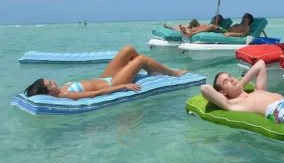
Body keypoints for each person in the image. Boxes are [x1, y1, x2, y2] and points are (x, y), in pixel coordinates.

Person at [24, 45, 187, 101]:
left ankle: (151, 69)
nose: (54, 81)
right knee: (141, 59)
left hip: (104, 78)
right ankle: (173, 73)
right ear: (48, 93)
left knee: (128, 50)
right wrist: (123, 86)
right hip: (112, 83)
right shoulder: (64, 95)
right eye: (50, 84)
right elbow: (95, 94)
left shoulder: (61, 89)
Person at [180, 13, 253, 39]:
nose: (243, 17)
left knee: (212, 26)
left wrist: (230, 33)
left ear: (249, 19)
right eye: (243, 16)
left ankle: (192, 33)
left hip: (226, 32)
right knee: (205, 25)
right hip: (225, 30)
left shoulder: (247, 27)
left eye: (245, 16)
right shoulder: (238, 24)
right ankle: (189, 30)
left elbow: (242, 34)